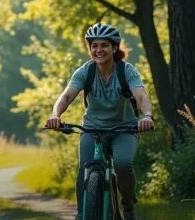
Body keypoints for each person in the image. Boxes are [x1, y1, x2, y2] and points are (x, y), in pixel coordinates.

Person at [45, 23, 154, 220]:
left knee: (122, 164)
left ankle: (128, 207)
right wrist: (55, 115)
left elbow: (141, 96)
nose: (98, 50)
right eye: (94, 46)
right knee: (85, 167)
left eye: (104, 45)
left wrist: (146, 116)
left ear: (114, 48)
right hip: (92, 129)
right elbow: (67, 96)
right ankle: (82, 213)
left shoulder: (126, 71)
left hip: (125, 129)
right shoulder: (85, 71)